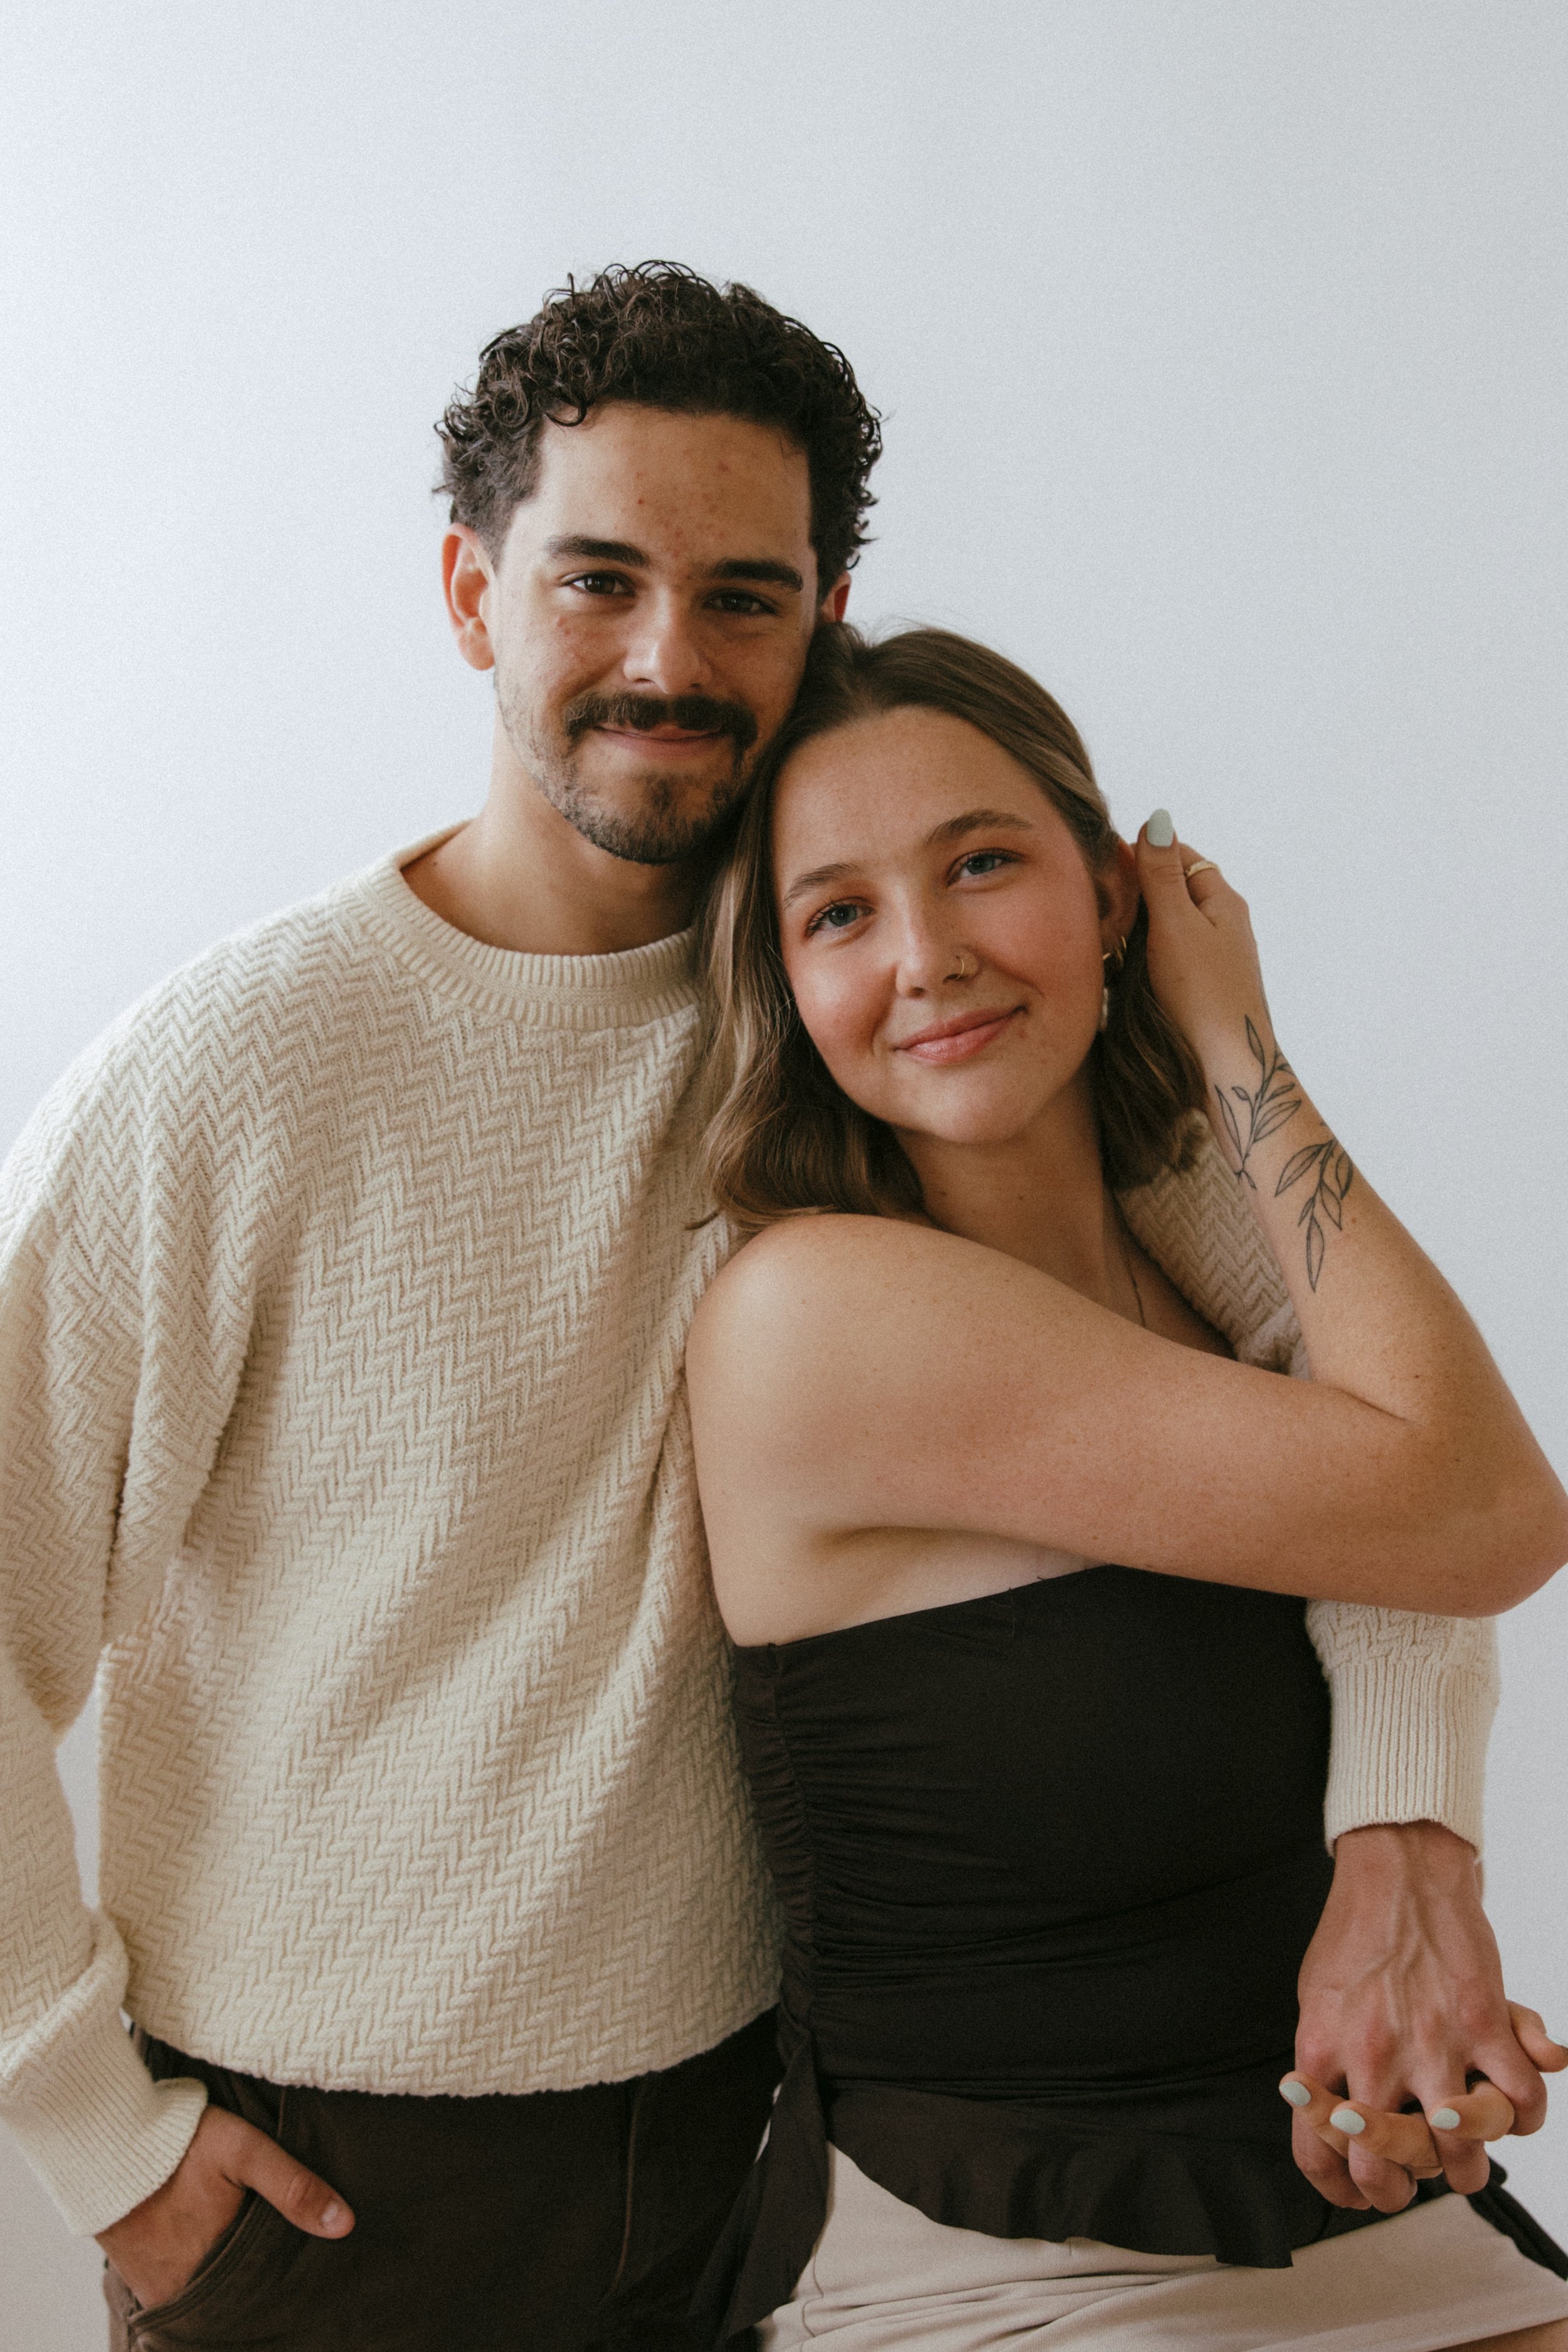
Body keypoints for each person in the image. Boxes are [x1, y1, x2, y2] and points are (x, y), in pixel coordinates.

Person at [0, 265, 1538, 2351]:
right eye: (595, 581)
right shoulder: (236, 1076)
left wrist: (1403, 1818)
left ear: (821, 612)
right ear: (470, 595)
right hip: (340, 2191)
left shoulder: (897, 1017)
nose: (667, 657)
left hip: (771, 2145)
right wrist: (102, 2140)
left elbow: (1376, 1432)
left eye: (743, 593)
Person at [685, 622, 1568, 2349]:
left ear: (1110, 900)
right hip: (998, 2259)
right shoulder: (816, 1316)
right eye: (839, 913)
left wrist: (1408, 1845)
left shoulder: (1199, 1267)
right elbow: (1474, 1516)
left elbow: (1427, 1501)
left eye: (984, 865)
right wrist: (1233, 1031)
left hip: (1352, 2201)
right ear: (784, 985)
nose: (927, 956)